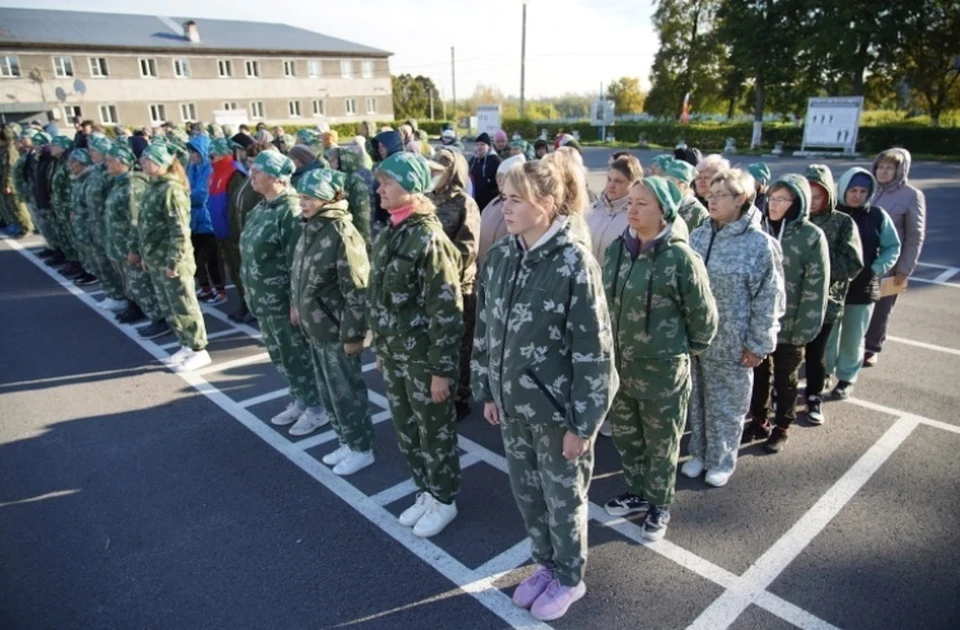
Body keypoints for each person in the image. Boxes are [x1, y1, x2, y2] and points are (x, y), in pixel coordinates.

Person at [472, 158, 618, 621]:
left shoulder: (575, 263)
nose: (505, 207)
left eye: (516, 199)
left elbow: (595, 353)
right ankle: (545, 563)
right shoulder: (502, 256)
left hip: (558, 416)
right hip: (515, 409)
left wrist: (584, 424)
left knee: (563, 500)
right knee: (529, 495)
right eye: (503, 198)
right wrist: (489, 389)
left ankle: (570, 578)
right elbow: (485, 329)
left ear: (548, 204)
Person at [602, 177, 717, 536]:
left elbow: (705, 321)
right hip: (620, 370)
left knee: (661, 444)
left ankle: (659, 504)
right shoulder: (617, 250)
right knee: (627, 437)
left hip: (662, 375)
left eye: (642, 204)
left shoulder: (681, 258)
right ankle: (638, 491)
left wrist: (675, 354)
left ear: (664, 211)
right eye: (631, 203)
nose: (632, 210)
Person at [369, 152, 464, 538]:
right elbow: (381, 297)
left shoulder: (429, 237)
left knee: (433, 430)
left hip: (423, 358)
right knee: (407, 430)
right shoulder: (393, 230)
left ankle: (444, 498)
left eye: (386, 183)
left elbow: (447, 311)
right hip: (396, 354)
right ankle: (425, 490)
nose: (379, 190)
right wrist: (382, 348)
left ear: (409, 188)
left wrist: (442, 371)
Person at [685, 168, 784, 486]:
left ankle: (722, 460)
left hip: (734, 343)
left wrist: (758, 344)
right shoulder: (699, 234)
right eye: (709, 195)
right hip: (697, 341)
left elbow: (769, 299)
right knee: (697, 401)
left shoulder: (759, 245)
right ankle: (698, 453)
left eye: (719, 195)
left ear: (741, 199)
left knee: (727, 406)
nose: (711, 200)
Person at [291, 168, 375, 475]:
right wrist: (296, 305)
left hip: (337, 330)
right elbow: (301, 273)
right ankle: (346, 439)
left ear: (330, 197)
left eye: (309, 197)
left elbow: (357, 289)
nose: (302, 202)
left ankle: (361, 446)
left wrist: (354, 335)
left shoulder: (340, 231)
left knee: (345, 391)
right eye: (301, 196)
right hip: (317, 328)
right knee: (328, 391)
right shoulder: (312, 227)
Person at [241, 150, 328, 436]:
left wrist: (295, 304)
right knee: (280, 356)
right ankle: (302, 399)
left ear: (277, 178)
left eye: (258, 171)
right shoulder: (262, 207)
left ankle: (317, 408)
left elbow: (297, 262)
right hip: (264, 300)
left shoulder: (289, 210)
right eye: (251, 170)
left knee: (296, 355)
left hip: (281, 301)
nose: (251, 175)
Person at [746, 174, 829, 453]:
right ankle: (759, 419)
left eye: (782, 199)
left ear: (798, 202)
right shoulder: (759, 228)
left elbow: (816, 286)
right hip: (759, 321)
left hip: (792, 325)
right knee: (758, 373)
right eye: (771, 198)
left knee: (786, 378)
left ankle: (782, 426)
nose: (774, 204)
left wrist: (804, 330)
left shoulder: (811, 236)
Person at [827, 168, 901, 400]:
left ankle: (846, 378)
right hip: (832, 287)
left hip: (863, 288)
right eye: (853, 190)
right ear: (843, 189)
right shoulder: (832, 213)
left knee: (853, 337)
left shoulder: (877, 216)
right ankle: (824, 373)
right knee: (827, 337)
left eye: (862, 191)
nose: (857, 195)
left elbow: (892, 246)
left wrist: (876, 269)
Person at [137, 144, 211, 371]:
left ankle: (199, 349)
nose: (143, 163)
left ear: (161, 162)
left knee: (183, 304)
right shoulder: (154, 186)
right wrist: (146, 255)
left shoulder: (172, 189)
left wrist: (174, 262)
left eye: (148, 160)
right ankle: (186, 345)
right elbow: (146, 225)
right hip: (157, 258)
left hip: (172, 260)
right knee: (170, 306)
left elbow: (179, 230)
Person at [803, 164, 863, 424]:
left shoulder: (842, 222)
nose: (813, 201)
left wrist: (819, 268)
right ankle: (780, 397)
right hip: (792, 303)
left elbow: (853, 263)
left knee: (816, 355)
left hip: (825, 303)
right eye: (808, 194)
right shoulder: (794, 219)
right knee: (787, 355)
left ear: (829, 194)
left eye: (819, 195)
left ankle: (814, 397)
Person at [428, 148, 481, 421]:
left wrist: (442, 274)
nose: (435, 171)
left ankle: (460, 395)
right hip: (431, 288)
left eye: (442, 168)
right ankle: (439, 386)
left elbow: (467, 248)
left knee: (461, 344)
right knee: (437, 339)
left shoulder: (464, 203)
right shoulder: (426, 200)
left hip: (459, 287)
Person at [864, 148, 926, 367]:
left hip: (892, 266)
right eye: (880, 167)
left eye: (889, 168)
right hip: (864, 261)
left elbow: (915, 235)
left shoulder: (911, 196)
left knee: (883, 307)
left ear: (900, 170)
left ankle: (872, 347)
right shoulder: (868, 189)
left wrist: (905, 269)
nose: (883, 172)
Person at [103, 143, 167, 330]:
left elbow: (135, 222)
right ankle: (150, 314)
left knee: (142, 284)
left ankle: (160, 319)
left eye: (110, 160)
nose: (106, 164)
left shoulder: (132, 186)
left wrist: (134, 249)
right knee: (132, 285)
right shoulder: (120, 184)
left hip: (130, 247)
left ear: (122, 162)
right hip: (120, 245)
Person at [86, 135, 130, 313]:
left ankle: (123, 297)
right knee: (106, 262)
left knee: (118, 264)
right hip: (98, 223)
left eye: (94, 150)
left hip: (109, 225)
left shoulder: (110, 176)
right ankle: (115, 294)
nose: (91, 154)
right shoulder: (97, 172)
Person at [225, 143, 266, 323]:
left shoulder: (261, 185)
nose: (249, 165)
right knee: (244, 275)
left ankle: (256, 309)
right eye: (248, 161)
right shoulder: (247, 181)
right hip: (241, 236)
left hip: (257, 240)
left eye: (253, 161)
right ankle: (247, 305)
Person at [207, 138, 247, 314]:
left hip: (234, 234)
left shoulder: (234, 173)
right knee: (233, 270)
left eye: (213, 154)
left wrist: (236, 233)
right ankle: (242, 304)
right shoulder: (216, 173)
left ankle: (249, 306)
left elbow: (236, 206)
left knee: (241, 271)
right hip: (222, 232)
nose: (211, 158)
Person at [186, 136, 226, 305]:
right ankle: (205, 287)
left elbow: (202, 194)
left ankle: (220, 290)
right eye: (190, 151)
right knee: (197, 257)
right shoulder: (191, 168)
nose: (192, 155)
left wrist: (184, 196)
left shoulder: (209, 170)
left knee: (213, 258)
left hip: (208, 220)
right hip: (193, 220)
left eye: (194, 151)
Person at [584, 155, 642, 263]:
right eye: (609, 179)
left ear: (633, 184)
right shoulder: (593, 209)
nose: (611, 185)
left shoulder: (636, 217)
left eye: (618, 181)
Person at [476, 154, 524, 269]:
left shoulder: (525, 208)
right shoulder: (491, 205)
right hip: (485, 274)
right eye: (498, 177)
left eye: (504, 177)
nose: (500, 181)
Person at [49, 137, 83, 278]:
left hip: (67, 208)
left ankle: (78, 264)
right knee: (67, 237)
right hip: (60, 207)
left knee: (73, 238)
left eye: (55, 145)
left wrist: (71, 209)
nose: (51, 147)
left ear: (63, 147)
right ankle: (72, 260)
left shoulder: (67, 164)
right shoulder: (59, 162)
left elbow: (70, 189)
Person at [325, 147, 372, 244]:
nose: (330, 165)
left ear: (341, 161)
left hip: (353, 230)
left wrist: (364, 237)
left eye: (333, 161)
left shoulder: (355, 181)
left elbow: (362, 210)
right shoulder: (335, 179)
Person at [66, 149, 99, 286]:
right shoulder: (79, 179)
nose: (71, 166)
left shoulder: (89, 179)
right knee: (84, 248)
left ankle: (94, 273)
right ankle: (88, 270)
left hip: (88, 222)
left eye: (74, 162)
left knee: (92, 250)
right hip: (80, 221)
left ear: (83, 163)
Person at [662, 158, 708, 232]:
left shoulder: (698, 212)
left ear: (684, 186)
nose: (666, 185)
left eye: (671, 181)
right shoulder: (662, 203)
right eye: (665, 180)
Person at [469, 132, 502, 212]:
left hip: (490, 200)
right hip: (475, 198)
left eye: (482, 145)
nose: (479, 147)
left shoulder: (495, 160)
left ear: (488, 147)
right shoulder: (473, 160)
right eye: (477, 145)